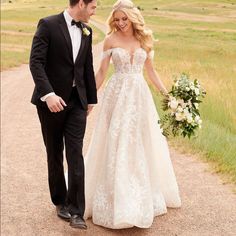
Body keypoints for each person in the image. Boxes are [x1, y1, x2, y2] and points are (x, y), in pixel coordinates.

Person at [84, 0, 181, 229]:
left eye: (124, 19)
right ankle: (115, 198)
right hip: (116, 95)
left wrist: (169, 97)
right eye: (116, 19)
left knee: (139, 141)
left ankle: (138, 197)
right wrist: (90, 100)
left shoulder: (144, 40)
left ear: (133, 17)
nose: (120, 23)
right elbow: (101, 72)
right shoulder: (110, 39)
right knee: (116, 141)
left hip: (139, 97)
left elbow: (151, 72)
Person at [29, 0, 97, 230]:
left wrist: (91, 100)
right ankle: (60, 201)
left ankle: (77, 210)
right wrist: (48, 94)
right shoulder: (48, 25)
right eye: (93, 6)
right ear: (81, 3)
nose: (94, 11)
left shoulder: (88, 31)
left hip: (77, 102)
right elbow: (36, 62)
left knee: (75, 153)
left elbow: (87, 66)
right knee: (55, 151)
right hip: (51, 104)